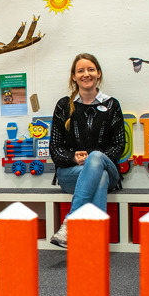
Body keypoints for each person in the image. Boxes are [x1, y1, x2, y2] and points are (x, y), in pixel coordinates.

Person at [48, 53, 125, 248]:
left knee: (97, 159)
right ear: (73, 76)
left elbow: (119, 145)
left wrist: (93, 160)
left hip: (109, 169)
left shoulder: (111, 105)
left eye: (91, 69)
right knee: (99, 178)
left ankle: (71, 223)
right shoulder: (64, 106)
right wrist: (73, 157)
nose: (86, 74)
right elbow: (55, 149)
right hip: (70, 174)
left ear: (98, 73)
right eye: (80, 70)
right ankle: (94, 241)